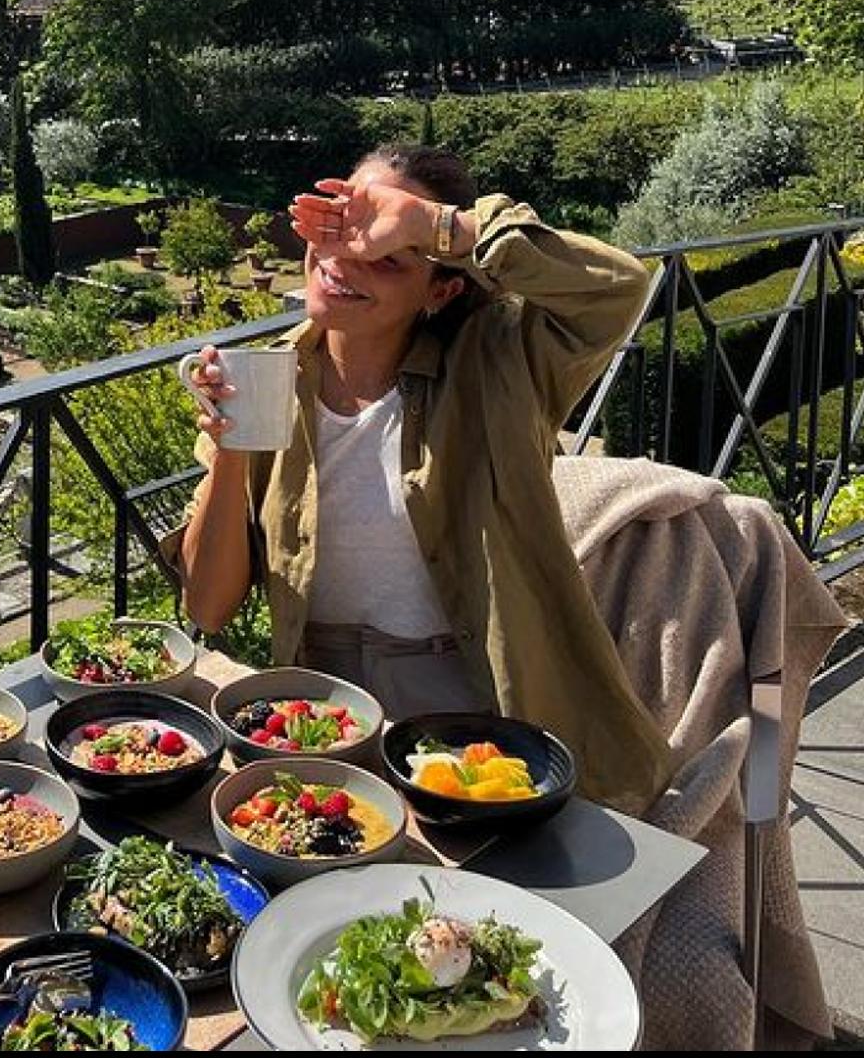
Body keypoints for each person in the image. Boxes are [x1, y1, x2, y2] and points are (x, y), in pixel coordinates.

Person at [164, 145, 672, 813]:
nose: (344, 263)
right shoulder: (271, 378)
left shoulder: (499, 364)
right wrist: (231, 448)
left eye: (387, 256)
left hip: (476, 706)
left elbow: (620, 286)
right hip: (319, 711)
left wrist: (438, 227)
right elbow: (207, 608)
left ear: (442, 289)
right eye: (340, 233)